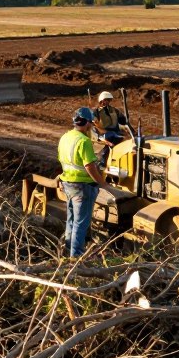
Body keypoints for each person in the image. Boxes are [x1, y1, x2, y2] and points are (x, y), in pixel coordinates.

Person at [58, 107, 120, 258]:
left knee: (71, 220)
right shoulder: (84, 141)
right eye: (91, 123)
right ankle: (77, 257)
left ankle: (67, 252)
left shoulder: (66, 137)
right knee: (81, 223)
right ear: (86, 123)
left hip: (68, 183)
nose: (92, 126)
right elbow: (90, 167)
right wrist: (103, 183)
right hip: (83, 186)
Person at [93, 91, 132, 165]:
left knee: (124, 142)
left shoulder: (115, 110)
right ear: (101, 100)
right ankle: (103, 162)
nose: (107, 102)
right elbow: (94, 125)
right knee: (109, 144)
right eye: (106, 100)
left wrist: (125, 117)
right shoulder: (96, 112)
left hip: (116, 132)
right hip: (104, 134)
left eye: (109, 100)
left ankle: (118, 161)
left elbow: (123, 121)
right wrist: (100, 134)